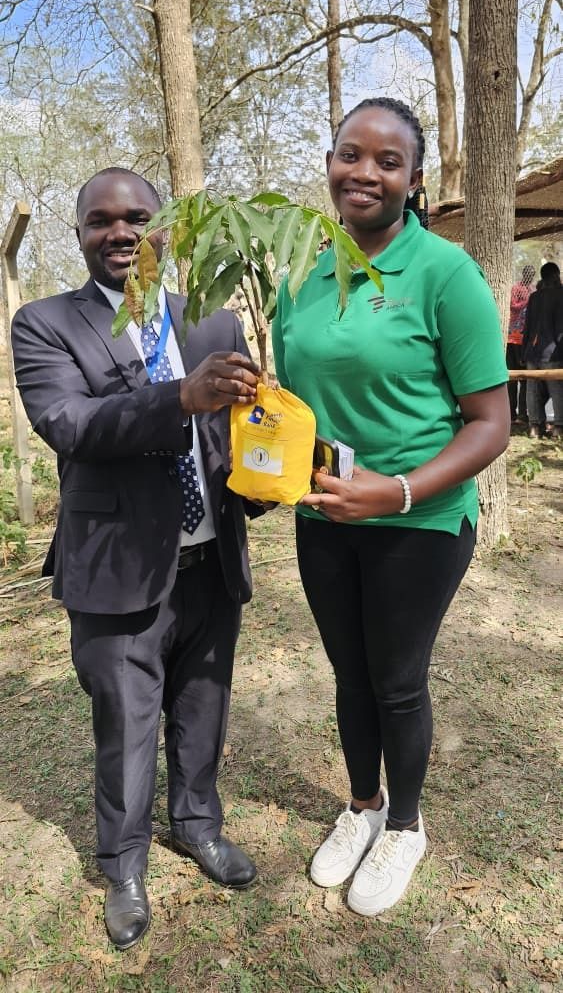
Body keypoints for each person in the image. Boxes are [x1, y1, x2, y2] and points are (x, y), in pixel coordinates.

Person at [11, 168, 265, 950]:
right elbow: (70, 424)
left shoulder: (211, 324)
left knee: (202, 708)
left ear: (166, 229)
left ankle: (196, 824)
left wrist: (274, 476)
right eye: (100, 220)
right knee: (124, 723)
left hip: (209, 562)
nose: (120, 232)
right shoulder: (44, 324)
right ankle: (122, 866)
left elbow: (229, 440)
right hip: (116, 569)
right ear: (81, 233)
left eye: (138, 218)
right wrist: (177, 399)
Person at [272, 98, 510, 917]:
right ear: (330, 162)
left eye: (386, 162)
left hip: (419, 519)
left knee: (396, 680)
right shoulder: (300, 273)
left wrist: (398, 489)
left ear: (412, 179)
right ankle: (361, 807)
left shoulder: (443, 273)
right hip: (325, 515)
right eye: (349, 154)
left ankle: (405, 826)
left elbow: (491, 420)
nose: (363, 173)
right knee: (348, 672)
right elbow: (299, 394)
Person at [521, 261, 563, 439]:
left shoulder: (534, 297)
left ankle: (534, 427)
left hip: (532, 351)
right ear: (555, 275)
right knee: (556, 388)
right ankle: (559, 428)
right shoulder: (561, 295)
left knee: (532, 389)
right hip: (553, 351)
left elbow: (527, 327)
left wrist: (524, 350)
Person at [507, 264, 535, 424]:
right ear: (524, 274)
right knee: (512, 378)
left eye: (532, 275)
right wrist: (527, 301)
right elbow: (513, 305)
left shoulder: (531, 289)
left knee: (525, 378)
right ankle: (511, 412)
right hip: (512, 338)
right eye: (528, 274)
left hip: (525, 339)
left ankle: (522, 414)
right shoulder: (516, 288)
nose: (530, 277)